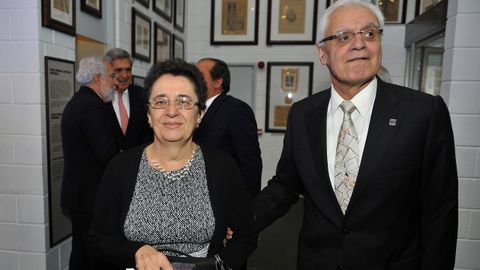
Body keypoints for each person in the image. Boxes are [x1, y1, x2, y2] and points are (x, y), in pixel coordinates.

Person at [251, 0, 458, 269]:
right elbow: (285, 185)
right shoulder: (303, 115)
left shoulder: (424, 113)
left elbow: (440, 213)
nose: (359, 44)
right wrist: (245, 219)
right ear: (322, 53)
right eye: (343, 36)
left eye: (369, 33)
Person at [88, 58, 257, 270]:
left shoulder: (221, 165)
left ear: (199, 114)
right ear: (149, 115)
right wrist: (136, 251)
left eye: (184, 101)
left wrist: (218, 265)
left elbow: (247, 235)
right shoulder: (120, 167)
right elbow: (98, 240)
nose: (171, 111)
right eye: (160, 101)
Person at [60, 56, 118, 270]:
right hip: (89, 197)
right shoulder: (92, 107)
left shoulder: (78, 102)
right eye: (111, 76)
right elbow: (106, 153)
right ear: (97, 78)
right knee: (90, 254)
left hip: (79, 195)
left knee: (81, 251)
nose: (114, 82)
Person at [195, 58, 262, 198]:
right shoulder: (190, 109)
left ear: (218, 82)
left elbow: (250, 162)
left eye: (199, 75)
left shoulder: (237, 110)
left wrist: (247, 206)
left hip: (225, 197)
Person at [104, 48, 152, 151]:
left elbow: (149, 130)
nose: (125, 75)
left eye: (128, 70)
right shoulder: (101, 98)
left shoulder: (141, 94)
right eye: (118, 70)